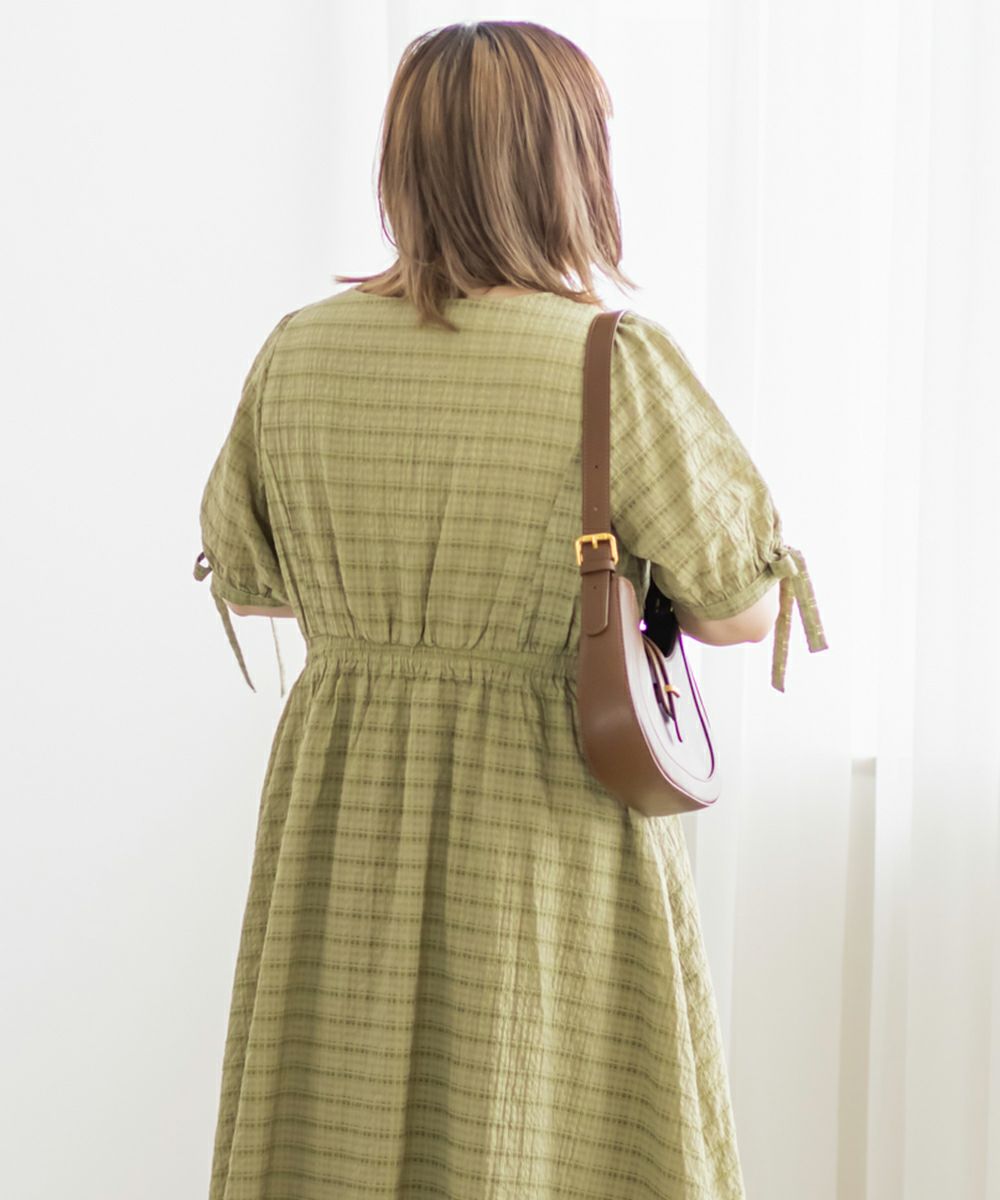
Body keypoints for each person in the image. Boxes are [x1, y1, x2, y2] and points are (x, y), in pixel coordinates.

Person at [192, 19, 827, 1200]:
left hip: (343, 810)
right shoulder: (607, 359)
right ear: (567, 165)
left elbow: (251, 580)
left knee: (340, 1115)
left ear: (405, 166)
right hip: (543, 812)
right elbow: (740, 609)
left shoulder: (298, 353)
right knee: (535, 1122)